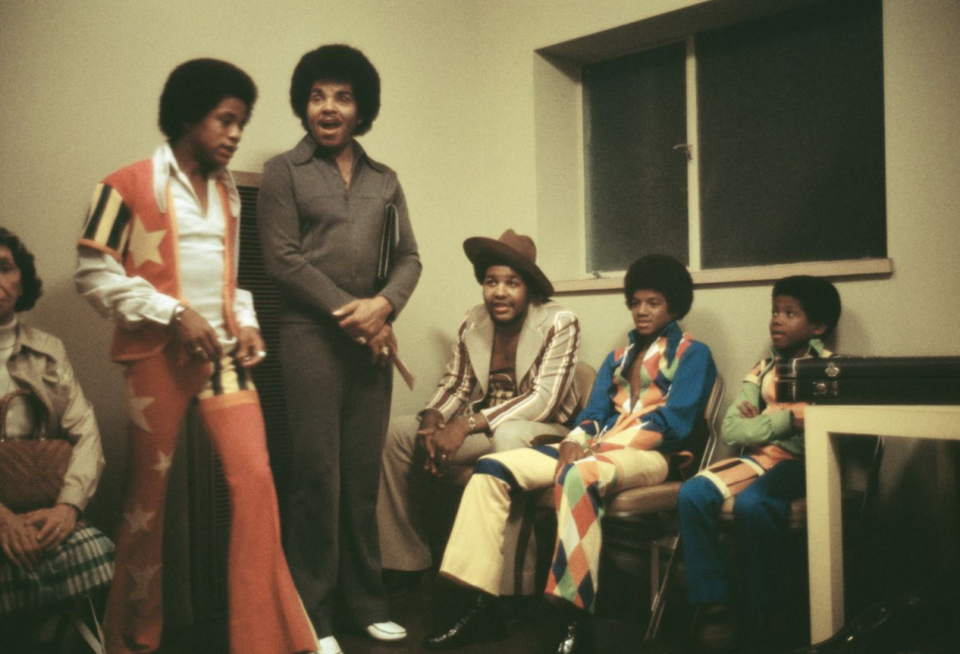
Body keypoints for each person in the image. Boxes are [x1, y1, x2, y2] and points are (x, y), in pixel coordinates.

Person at [74, 60, 317, 654]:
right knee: (145, 505)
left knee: (257, 485)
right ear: (189, 115)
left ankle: (264, 641)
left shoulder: (229, 193)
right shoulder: (122, 185)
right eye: (225, 120)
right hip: (156, 356)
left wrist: (248, 322)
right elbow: (91, 273)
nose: (236, 134)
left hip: (225, 356)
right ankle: (134, 639)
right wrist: (171, 312)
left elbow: (229, 281)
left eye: (241, 122)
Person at [426, 254, 717, 653]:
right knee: (491, 467)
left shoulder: (693, 353)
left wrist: (595, 449)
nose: (642, 311)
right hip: (594, 450)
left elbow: (677, 424)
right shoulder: (617, 359)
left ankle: (574, 620)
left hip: (654, 458)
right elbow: (594, 414)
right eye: (636, 302)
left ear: (674, 306)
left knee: (576, 477)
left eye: (653, 303)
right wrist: (573, 441)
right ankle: (481, 604)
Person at [257, 44, 421, 654]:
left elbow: (408, 257)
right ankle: (313, 616)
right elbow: (281, 258)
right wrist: (352, 313)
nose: (328, 107)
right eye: (318, 95)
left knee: (359, 479)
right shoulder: (284, 172)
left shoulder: (386, 181)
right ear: (305, 104)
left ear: (361, 108)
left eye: (342, 97)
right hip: (310, 342)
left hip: (372, 345)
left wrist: (384, 306)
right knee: (316, 477)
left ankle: (366, 603)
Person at [378, 229, 581, 592]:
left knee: (509, 433)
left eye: (511, 282)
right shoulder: (474, 320)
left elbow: (543, 399)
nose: (499, 292)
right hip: (488, 427)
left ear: (529, 288)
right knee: (399, 432)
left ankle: (512, 583)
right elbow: (456, 383)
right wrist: (432, 420)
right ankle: (405, 563)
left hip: (545, 432)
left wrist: (464, 425)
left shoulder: (560, 321)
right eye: (491, 282)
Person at [677, 275, 841, 653]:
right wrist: (785, 420)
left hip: (801, 463)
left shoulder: (828, 371)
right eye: (775, 311)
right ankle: (715, 604)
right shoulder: (764, 367)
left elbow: (816, 431)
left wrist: (762, 423)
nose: (777, 320)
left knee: (754, 505)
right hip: (757, 459)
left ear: (817, 326)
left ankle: (768, 608)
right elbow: (734, 429)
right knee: (693, 493)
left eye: (790, 313)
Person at [0, 229, 112, 637]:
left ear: (21, 279)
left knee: (97, 550)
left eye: (4, 267)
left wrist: (68, 507)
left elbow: (86, 433)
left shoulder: (48, 350)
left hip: (43, 509)